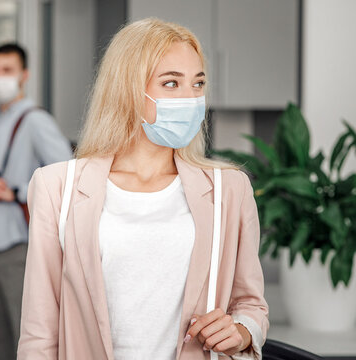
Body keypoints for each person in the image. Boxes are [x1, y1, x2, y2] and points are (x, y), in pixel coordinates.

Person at [18, 18, 269, 360]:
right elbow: (39, 332)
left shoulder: (230, 189)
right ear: (128, 89)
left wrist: (240, 332)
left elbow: (251, 305)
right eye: (171, 83)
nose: (190, 98)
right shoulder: (55, 187)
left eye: (198, 84)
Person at [0, 43, 72, 359]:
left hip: (21, 245)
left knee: (25, 340)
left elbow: (66, 178)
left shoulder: (35, 121)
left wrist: (16, 192)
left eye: (7, 70)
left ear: (24, 75)